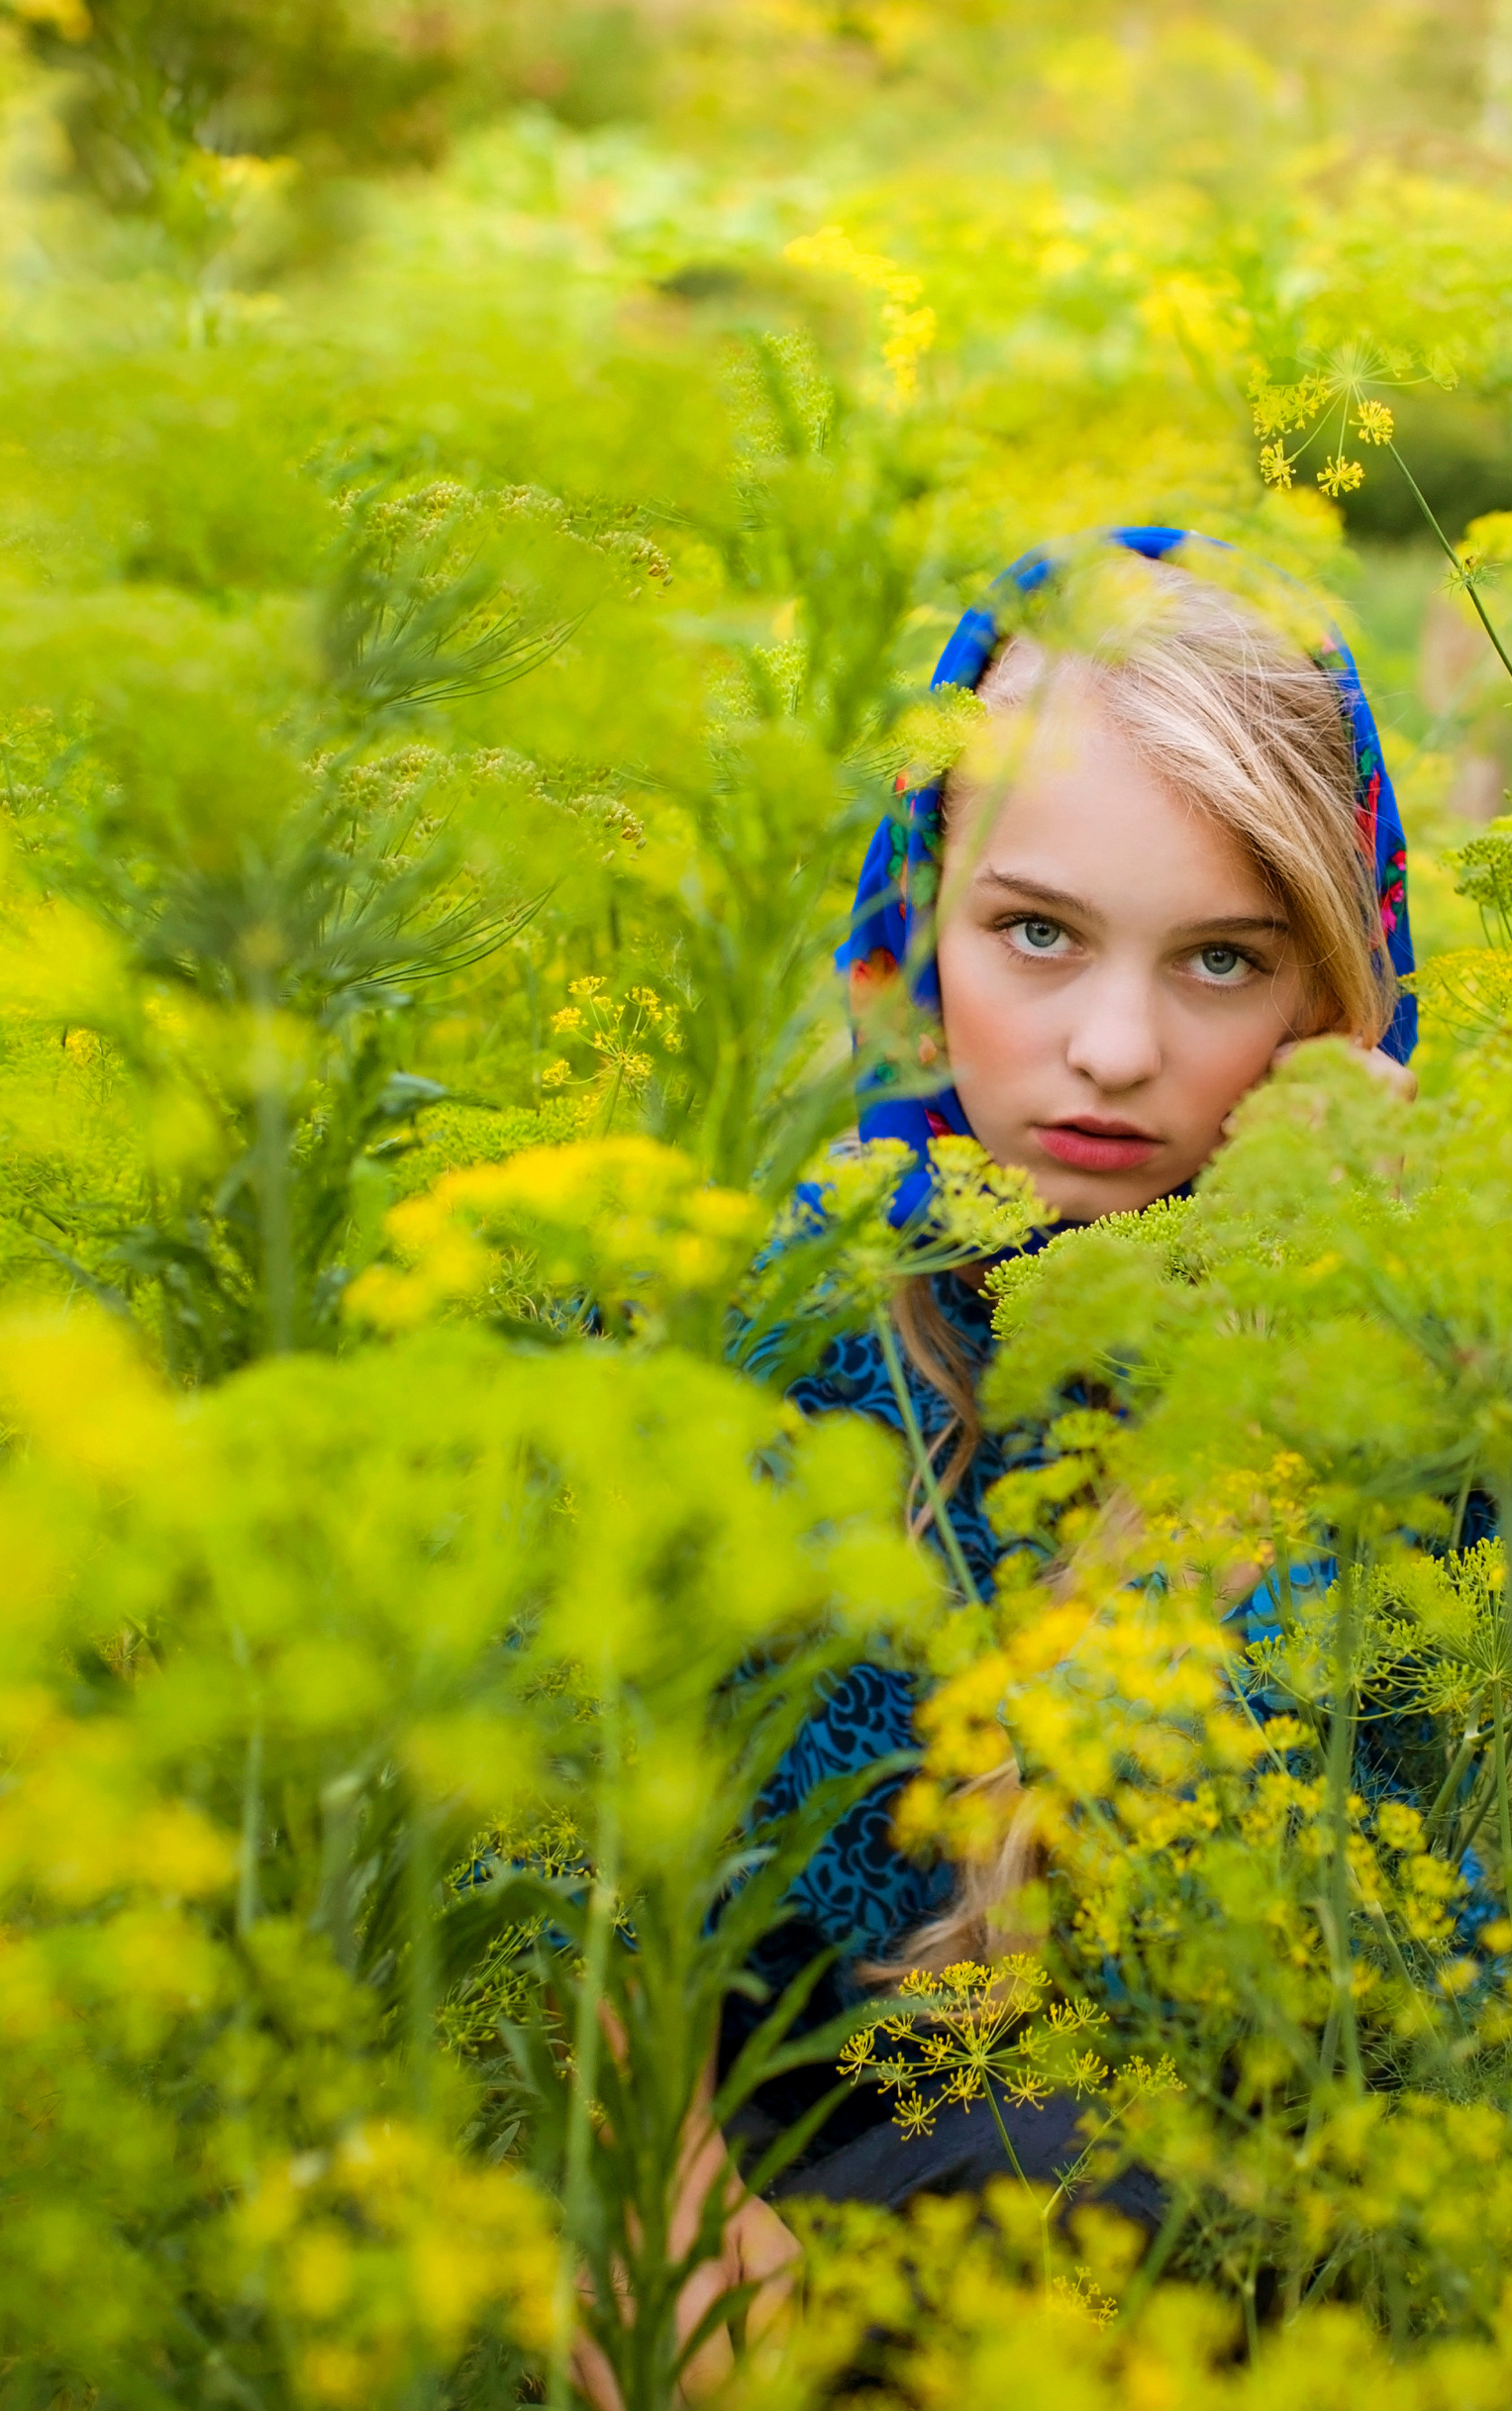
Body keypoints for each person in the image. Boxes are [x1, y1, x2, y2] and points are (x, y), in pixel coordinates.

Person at [586, 530, 1419, 2405]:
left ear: (1325, 998)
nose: (1111, 1052)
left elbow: (1260, 2021)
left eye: (1221, 960)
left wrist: (1289, 1355)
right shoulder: (746, 1321)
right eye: (1035, 933)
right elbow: (589, 1921)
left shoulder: (1423, 1379)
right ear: (913, 917)